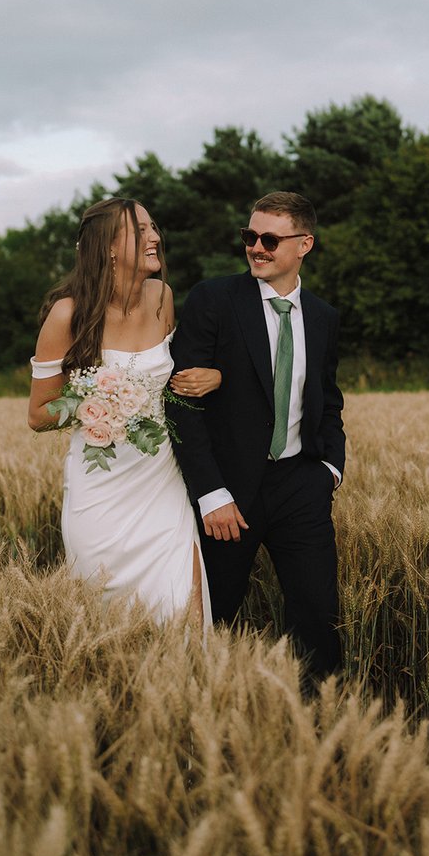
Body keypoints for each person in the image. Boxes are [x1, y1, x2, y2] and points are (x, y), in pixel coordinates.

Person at [168, 191, 345, 681]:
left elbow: (328, 400)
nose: (256, 247)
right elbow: (181, 400)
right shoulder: (215, 299)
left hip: (301, 487)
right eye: (250, 236)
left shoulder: (324, 317)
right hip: (229, 493)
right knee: (213, 618)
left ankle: (318, 730)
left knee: (318, 621)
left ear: (304, 244)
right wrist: (210, 493)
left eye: (270, 238)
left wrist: (329, 469)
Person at [28, 196, 219, 627]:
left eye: (154, 227)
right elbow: (38, 413)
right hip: (100, 494)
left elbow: (178, 384)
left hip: (161, 483)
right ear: (109, 247)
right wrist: (95, 405)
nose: (155, 237)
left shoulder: (162, 298)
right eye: (141, 230)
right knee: (106, 622)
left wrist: (215, 377)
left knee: (183, 610)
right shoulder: (67, 315)